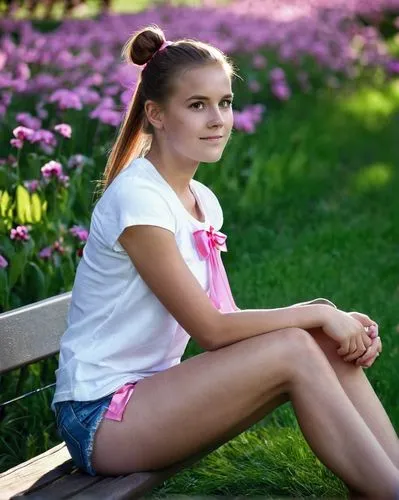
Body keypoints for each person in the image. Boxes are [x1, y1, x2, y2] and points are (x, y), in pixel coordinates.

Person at [51, 24, 399, 499]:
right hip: (99, 418)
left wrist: (325, 318)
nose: (218, 119)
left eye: (225, 102)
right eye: (197, 105)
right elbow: (212, 331)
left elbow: (227, 321)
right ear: (155, 114)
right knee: (297, 345)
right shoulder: (138, 201)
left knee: (312, 341)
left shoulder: (201, 200)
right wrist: (320, 312)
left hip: (152, 397)